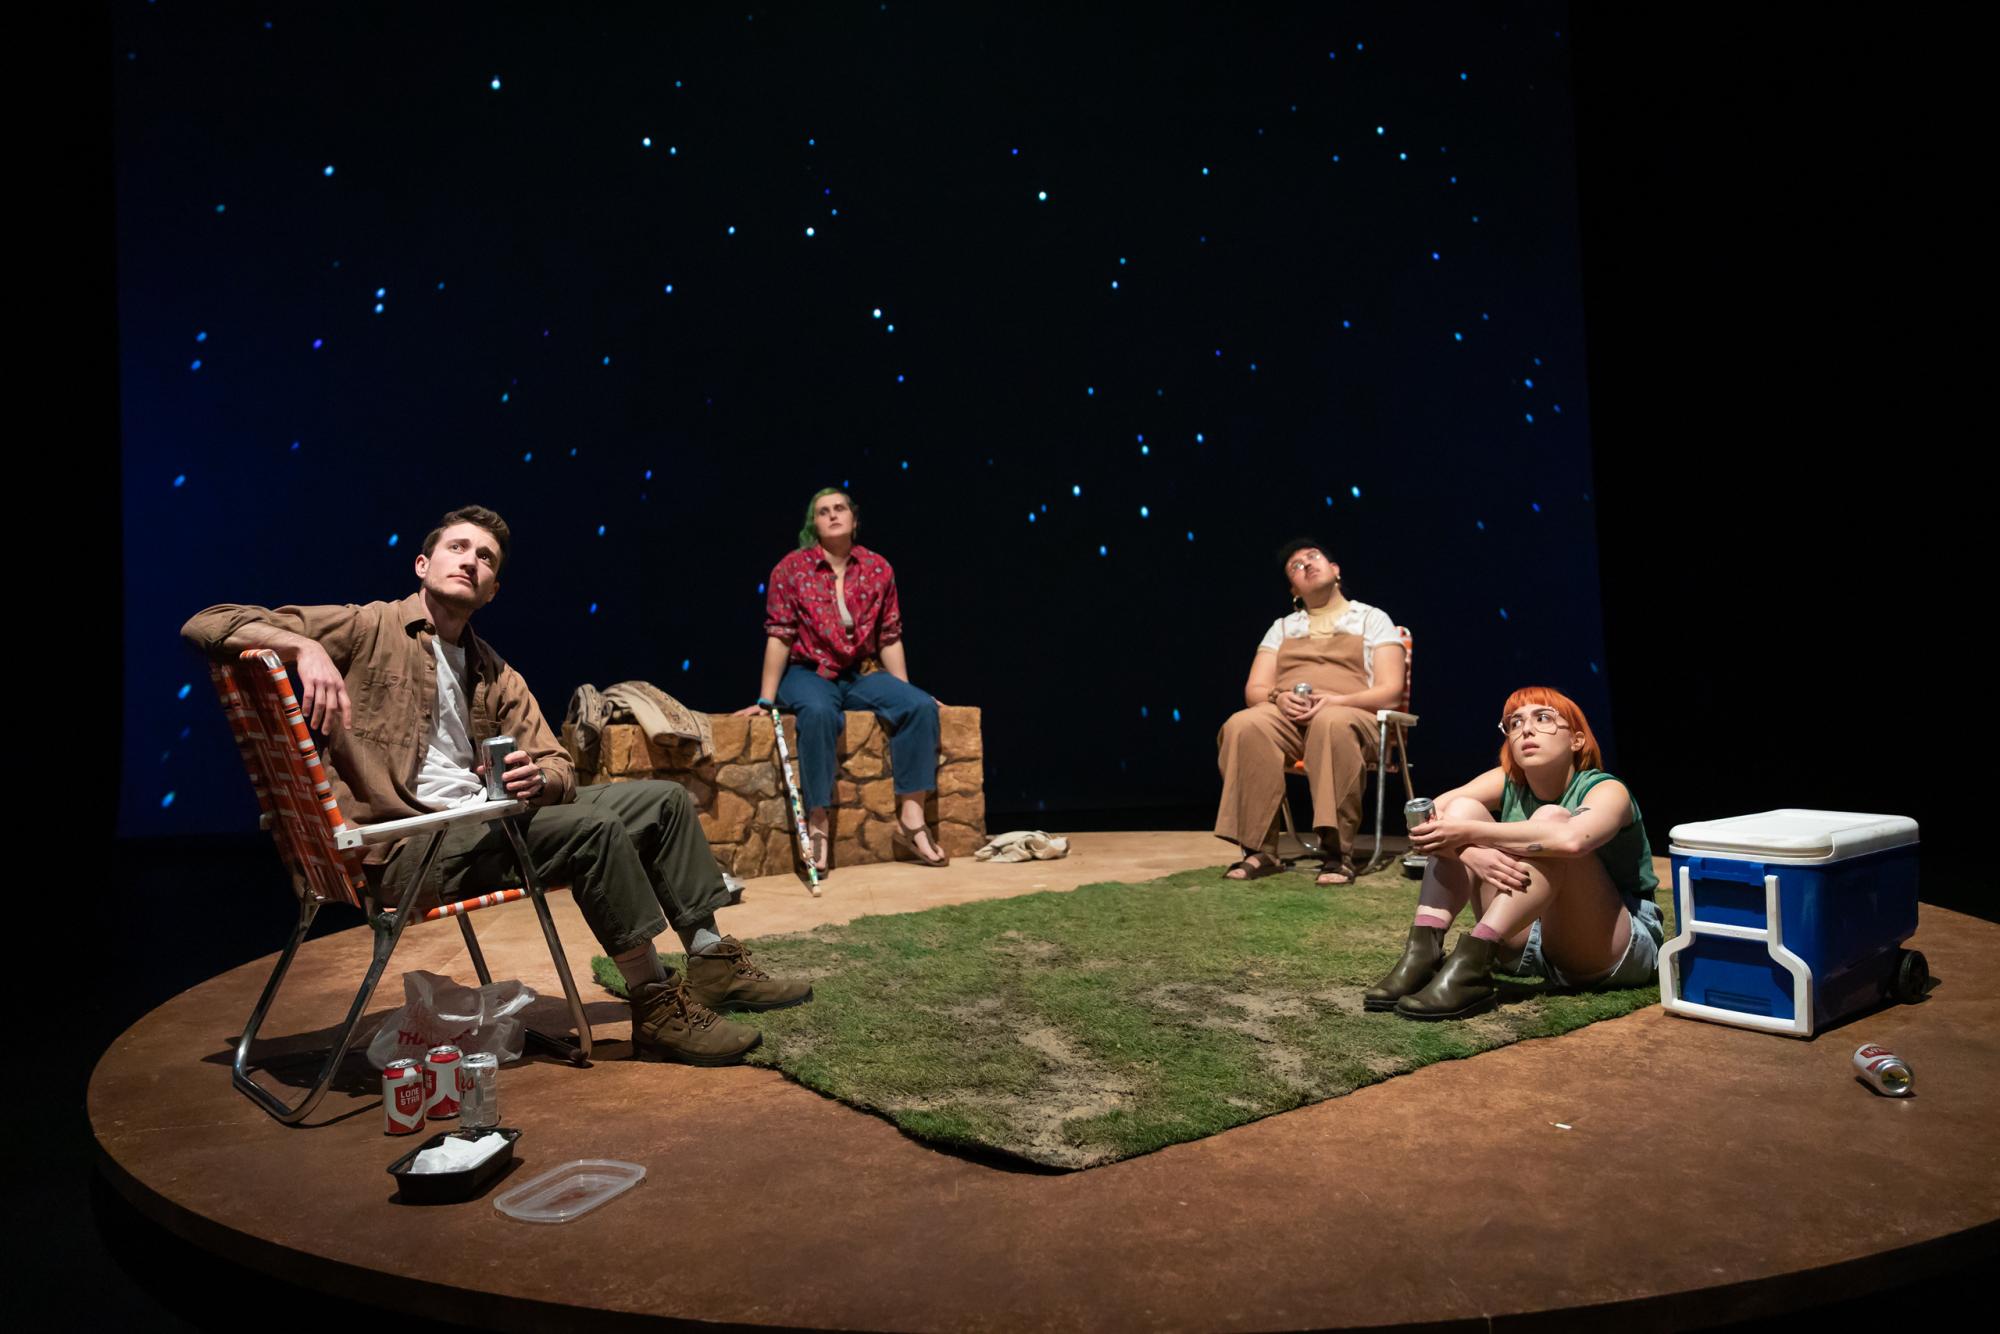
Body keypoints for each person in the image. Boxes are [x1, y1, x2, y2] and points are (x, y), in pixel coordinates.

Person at [182, 504, 811, 1067]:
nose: (472, 562)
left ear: (493, 589)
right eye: (459, 548)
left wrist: (542, 775)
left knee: (664, 800)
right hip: (409, 847)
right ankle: (655, 1007)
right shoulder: (368, 627)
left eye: (486, 558)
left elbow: (559, 762)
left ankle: (710, 962)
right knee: (595, 827)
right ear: (423, 563)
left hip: (483, 826)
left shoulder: (493, 670)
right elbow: (207, 623)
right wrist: (301, 646)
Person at [1366, 686, 1664, 1020]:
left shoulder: (1607, 789)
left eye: (1544, 718)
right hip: (1528, 943)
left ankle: (1473, 958)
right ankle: (1423, 952)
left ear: (1576, 740)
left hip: (1613, 945)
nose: (1527, 729)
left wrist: (1472, 835)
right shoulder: (1509, 781)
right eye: (1515, 723)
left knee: (1550, 822)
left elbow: (1572, 841)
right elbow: (1429, 819)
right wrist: (1470, 852)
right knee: (1463, 808)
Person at [735, 488, 946, 872]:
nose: (833, 515)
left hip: (858, 672)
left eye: (840, 508)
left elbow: (889, 636)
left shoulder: (878, 568)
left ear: (854, 518)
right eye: (823, 511)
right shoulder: (791, 569)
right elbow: (780, 635)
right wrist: (766, 699)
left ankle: (912, 819)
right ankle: (818, 821)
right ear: (812, 524)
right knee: (817, 712)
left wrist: (904, 688)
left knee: (917, 706)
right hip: (807, 672)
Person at [1214, 539, 1407, 886]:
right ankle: (1259, 850)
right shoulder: (1283, 627)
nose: (1305, 564)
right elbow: (1254, 690)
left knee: (1330, 723)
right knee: (1244, 725)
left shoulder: (1371, 618)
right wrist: (1278, 696)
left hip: (1350, 714)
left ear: (1335, 570)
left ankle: (1337, 852)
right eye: (1295, 566)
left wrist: (1335, 700)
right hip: (1290, 719)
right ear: (1293, 589)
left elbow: (1391, 691)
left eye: (1313, 557)